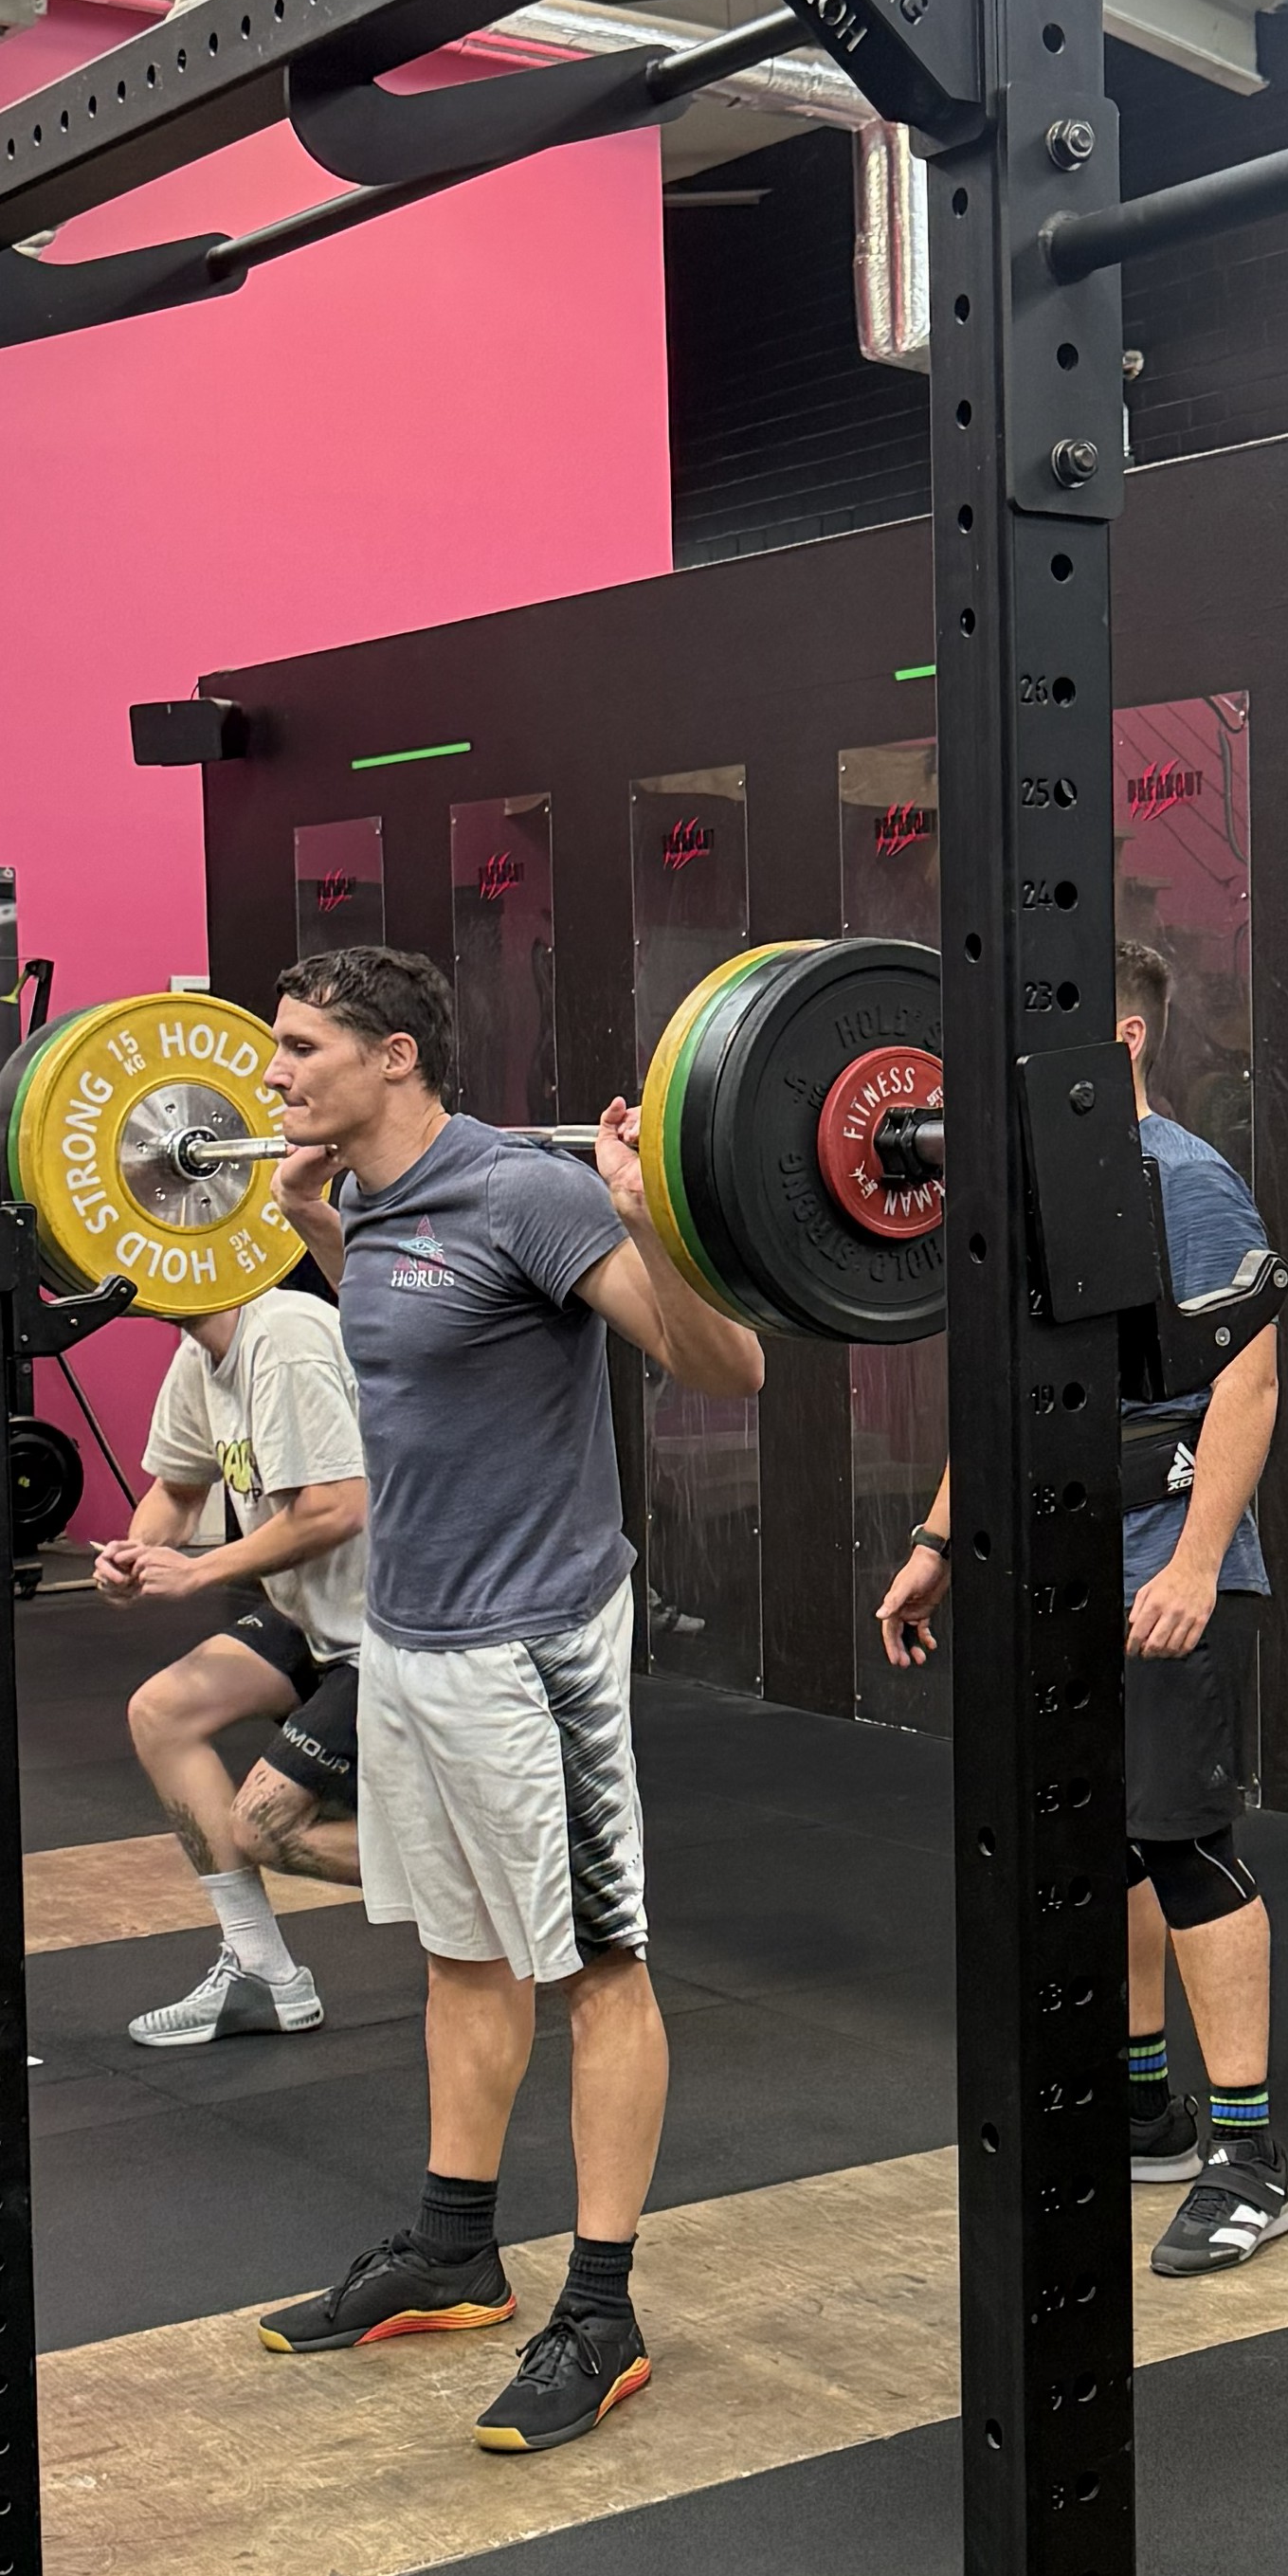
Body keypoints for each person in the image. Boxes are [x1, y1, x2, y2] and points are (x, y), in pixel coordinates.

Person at [248, 946, 764, 2458]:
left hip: (534, 1646)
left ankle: (601, 2312)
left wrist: (642, 1216)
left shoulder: (527, 1194)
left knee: (596, 1967)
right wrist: (320, 1223)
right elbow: (420, 1339)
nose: (271, 1074)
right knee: (463, 1953)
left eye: (300, 1047)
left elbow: (730, 1365)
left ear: (395, 1055)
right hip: (409, 1640)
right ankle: (454, 2248)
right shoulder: (375, 1202)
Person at [876, 938, 1288, 2277]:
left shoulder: (1186, 1178)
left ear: (1121, 1042)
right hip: (1061, 1564)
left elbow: (1248, 1382)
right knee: (1107, 1845)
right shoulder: (1041, 1195)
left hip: (1170, 1564)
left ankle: (1250, 2160)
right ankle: (1143, 2103)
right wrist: (940, 1537)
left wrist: (1195, 1563)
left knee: (1185, 1845)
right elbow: (1011, 1391)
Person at [97, 1282, 374, 2048]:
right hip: (314, 1614)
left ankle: (508, 1880)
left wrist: (198, 1571)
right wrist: (136, 1554)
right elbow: (178, 1488)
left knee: (265, 1829)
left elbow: (337, 1506)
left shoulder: (284, 1337)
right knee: (162, 1712)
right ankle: (261, 1973)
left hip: (393, 1628)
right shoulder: (201, 1353)